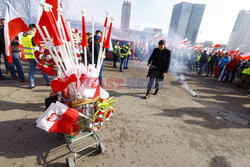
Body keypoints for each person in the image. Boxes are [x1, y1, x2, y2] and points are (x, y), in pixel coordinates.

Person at [21, 24, 50, 89]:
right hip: (35, 56)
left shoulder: (23, 37)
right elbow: (37, 46)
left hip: (28, 56)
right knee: (43, 69)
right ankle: (48, 82)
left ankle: (32, 84)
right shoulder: (32, 37)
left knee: (31, 70)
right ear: (33, 29)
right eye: (35, 30)